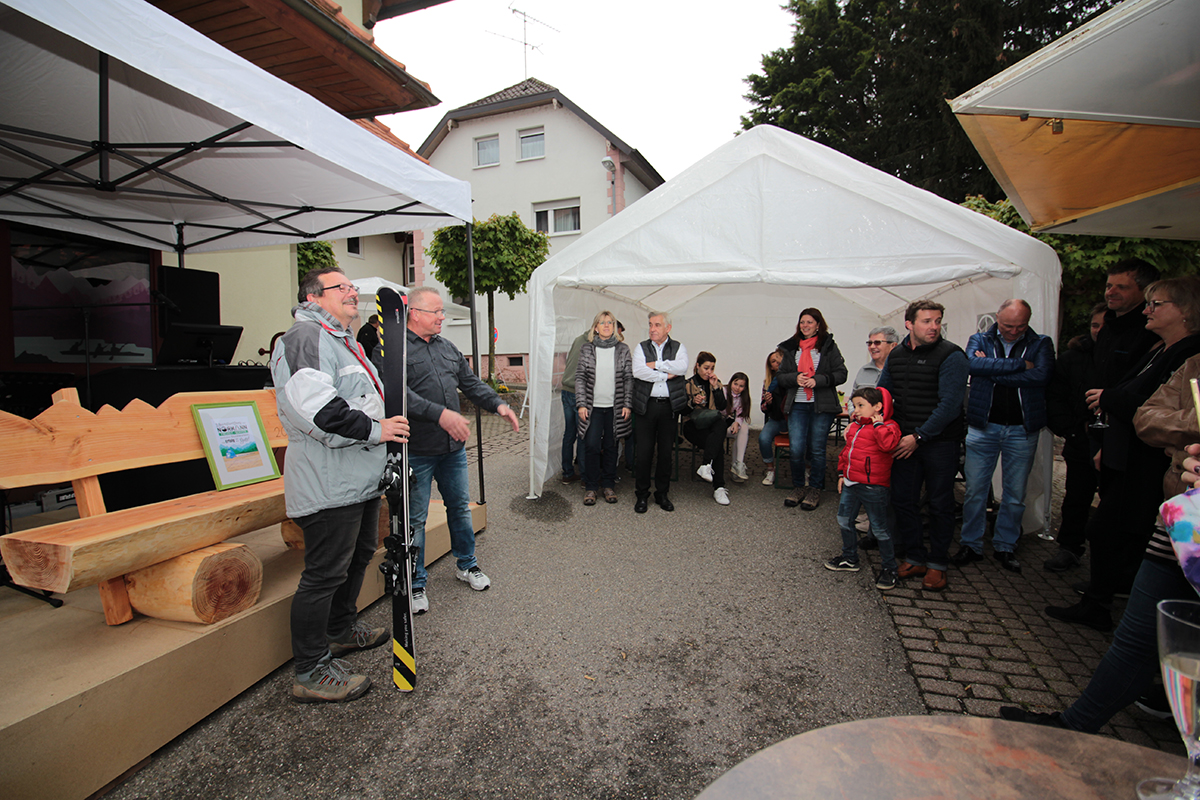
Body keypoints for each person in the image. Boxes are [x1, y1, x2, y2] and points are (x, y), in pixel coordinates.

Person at [1000, 352, 1200, 733]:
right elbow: (1146, 417)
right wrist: (1193, 428)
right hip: (1182, 523)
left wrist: (1182, 432)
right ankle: (1072, 727)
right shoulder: (1193, 363)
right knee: (1135, 640)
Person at [271, 268, 410, 703]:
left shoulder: (342, 341)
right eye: (342, 287)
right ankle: (310, 670)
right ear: (313, 297)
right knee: (325, 573)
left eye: (352, 286)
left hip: (357, 479)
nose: (353, 292)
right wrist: (377, 430)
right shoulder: (305, 337)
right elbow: (317, 410)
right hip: (327, 480)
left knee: (359, 556)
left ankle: (340, 630)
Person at [1047, 276, 1200, 631]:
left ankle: (1106, 604)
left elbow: (1148, 411)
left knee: (1111, 530)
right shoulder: (1160, 349)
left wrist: (1114, 399)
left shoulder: (1188, 354)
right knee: (1111, 530)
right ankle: (1105, 595)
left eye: (1156, 304)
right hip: (1129, 455)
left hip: (1151, 466)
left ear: (1185, 310)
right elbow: (1144, 408)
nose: (1147, 310)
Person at [405, 286, 520, 615]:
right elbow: (398, 396)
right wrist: (440, 415)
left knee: (459, 508)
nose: (443, 317)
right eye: (436, 311)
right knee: (416, 519)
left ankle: (467, 565)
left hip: (452, 449)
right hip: (417, 450)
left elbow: (470, 383)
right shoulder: (394, 351)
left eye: (442, 311)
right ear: (415, 313)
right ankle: (415, 582)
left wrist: (498, 405)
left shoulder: (447, 348)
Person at [952, 300, 1054, 574]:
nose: (1013, 331)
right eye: (1008, 325)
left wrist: (994, 372)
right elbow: (972, 365)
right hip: (983, 427)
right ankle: (971, 543)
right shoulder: (979, 339)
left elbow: (1042, 376)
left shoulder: (1041, 343)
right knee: (975, 491)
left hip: (1022, 429)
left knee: (1015, 493)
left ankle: (1006, 545)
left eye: (1020, 326)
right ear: (998, 317)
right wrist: (1020, 365)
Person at [877, 300, 968, 592]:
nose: (934, 327)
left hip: (939, 443)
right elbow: (884, 392)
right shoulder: (897, 355)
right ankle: (915, 556)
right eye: (927, 321)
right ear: (909, 324)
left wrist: (919, 437)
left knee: (940, 504)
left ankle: (938, 563)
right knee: (904, 500)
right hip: (905, 442)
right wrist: (873, 416)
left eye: (937, 321)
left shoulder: (952, 355)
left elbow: (950, 405)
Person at [1043, 303, 1107, 572]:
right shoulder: (1073, 358)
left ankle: (1109, 560)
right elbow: (1055, 395)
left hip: (1114, 441)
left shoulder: (1128, 356)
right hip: (1080, 438)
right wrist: (1068, 428)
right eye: (1094, 325)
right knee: (1076, 497)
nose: (1098, 331)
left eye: (1104, 326)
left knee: (1112, 503)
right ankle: (1069, 547)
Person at [825, 386, 902, 590]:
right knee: (844, 520)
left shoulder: (889, 426)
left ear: (878, 407)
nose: (856, 410)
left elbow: (888, 445)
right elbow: (847, 453)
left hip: (874, 487)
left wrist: (878, 425)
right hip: (851, 483)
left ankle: (889, 568)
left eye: (861, 406)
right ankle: (850, 557)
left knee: (879, 528)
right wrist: (841, 474)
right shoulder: (855, 427)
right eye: (855, 406)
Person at [774, 308, 848, 510]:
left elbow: (841, 373)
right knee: (796, 449)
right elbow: (781, 377)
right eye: (802, 322)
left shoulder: (828, 346)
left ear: (818, 325)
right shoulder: (791, 348)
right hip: (797, 404)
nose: (805, 326)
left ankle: (815, 488)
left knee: (817, 449)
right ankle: (799, 486)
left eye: (809, 322)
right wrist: (795, 378)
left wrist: (818, 380)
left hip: (821, 406)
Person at [631, 311, 689, 513]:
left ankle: (662, 494)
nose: (652, 329)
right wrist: (665, 375)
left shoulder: (679, 347)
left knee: (665, 454)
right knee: (644, 453)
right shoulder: (641, 347)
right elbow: (638, 371)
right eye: (650, 324)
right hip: (646, 407)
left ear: (668, 328)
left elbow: (682, 367)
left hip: (668, 408)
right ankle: (642, 495)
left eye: (657, 325)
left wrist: (656, 365)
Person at [574, 311, 633, 506]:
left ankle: (608, 485)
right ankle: (591, 487)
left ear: (614, 327)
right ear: (596, 328)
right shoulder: (587, 349)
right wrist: (581, 404)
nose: (606, 325)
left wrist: (627, 403)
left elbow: (628, 378)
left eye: (610, 322)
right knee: (591, 445)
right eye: (602, 322)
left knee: (611, 446)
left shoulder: (623, 349)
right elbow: (580, 377)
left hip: (615, 408)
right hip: (593, 408)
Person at [852, 327, 899, 547]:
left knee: (884, 482)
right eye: (870, 343)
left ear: (893, 345)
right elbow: (854, 398)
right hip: (865, 436)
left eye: (878, 342)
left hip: (886, 435)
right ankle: (871, 520)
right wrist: (853, 418)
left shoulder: (899, 369)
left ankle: (882, 531)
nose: (872, 347)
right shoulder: (864, 371)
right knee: (867, 476)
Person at [683, 351, 732, 505]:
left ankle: (706, 467)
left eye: (712, 368)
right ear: (697, 366)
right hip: (693, 426)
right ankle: (718, 487)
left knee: (719, 427)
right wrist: (693, 402)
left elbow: (722, 407)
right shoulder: (688, 384)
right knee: (717, 443)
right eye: (706, 368)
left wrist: (716, 388)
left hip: (712, 425)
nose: (709, 372)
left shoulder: (715, 383)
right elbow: (681, 410)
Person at [560, 327, 590, 485]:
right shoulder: (593, 344)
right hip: (579, 393)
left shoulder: (578, 339)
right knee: (583, 436)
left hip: (566, 389)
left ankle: (567, 473)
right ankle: (585, 477)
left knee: (569, 435)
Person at [758, 349, 788, 486]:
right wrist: (768, 402)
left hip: (792, 419)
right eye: (774, 361)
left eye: (779, 359)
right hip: (776, 419)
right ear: (771, 367)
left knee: (807, 439)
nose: (778, 363)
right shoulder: (768, 383)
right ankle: (770, 469)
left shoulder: (791, 379)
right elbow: (763, 408)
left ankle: (806, 469)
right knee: (763, 438)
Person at [724, 372, 752, 483]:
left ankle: (738, 464)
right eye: (735, 384)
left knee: (743, 427)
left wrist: (737, 423)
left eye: (741, 386)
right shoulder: (724, 392)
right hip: (718, 424)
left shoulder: (742, 398)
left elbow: (740, 415)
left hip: (729, 424)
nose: (737, 388)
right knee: (740, 429)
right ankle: (735, 466)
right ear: (731, 382)